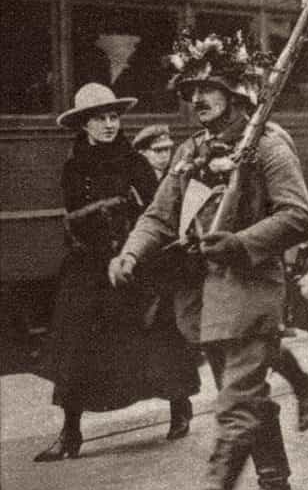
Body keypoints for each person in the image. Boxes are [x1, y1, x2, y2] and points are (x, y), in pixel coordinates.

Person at [110, 33, 308, 490]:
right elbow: (160, 215)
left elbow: (299, 216)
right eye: (190, 91)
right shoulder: (189, 152)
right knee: (240, 394)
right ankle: (275, 485)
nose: (197, 99)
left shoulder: (265, 146)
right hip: (202, 299)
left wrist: (242, 243)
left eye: (209, 88)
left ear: (236, 93)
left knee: (235, 408)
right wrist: (131, 253)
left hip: (249, 293)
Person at [34, 86, 198, 463]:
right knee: (77, 344)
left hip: (132, 262)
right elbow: (73, 214)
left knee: (156, 335)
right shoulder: (74, 165)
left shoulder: (133, 161)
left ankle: (179, 404)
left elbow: (157, 211)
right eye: (99, 118)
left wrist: (130, 243)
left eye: (113, 117)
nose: (109, 124)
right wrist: (92, 228)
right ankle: (70, 433)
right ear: (84, 123)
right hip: (89, 264)